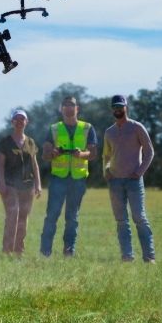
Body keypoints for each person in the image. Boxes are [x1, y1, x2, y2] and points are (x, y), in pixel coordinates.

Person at [40, 95, 98, 257]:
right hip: (58, 179)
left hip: (78, 180)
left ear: (77, 108)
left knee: (72, 217)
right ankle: (45, 253)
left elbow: (93, 154)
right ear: (61, 109)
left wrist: (81, 154)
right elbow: (44, 155)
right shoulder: (54, 129)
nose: (68, 107)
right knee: (52, 215)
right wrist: (53, 153)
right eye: (65, 105)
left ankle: (68, 252)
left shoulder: (87, 127)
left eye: (71, 104)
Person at [102, 94, 156, 263]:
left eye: (121, 107)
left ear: (126, 107)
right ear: (112, 110)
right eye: (115, 107)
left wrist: (139, 172)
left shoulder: (137, 127)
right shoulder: (109, 132)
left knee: (139, 217)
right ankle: (127, 257)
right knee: (121, 221)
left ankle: (149, 257)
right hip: (115, 182)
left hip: (134, 181)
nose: (118, 110)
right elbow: (106, 156)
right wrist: (106, 171)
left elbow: (149, 152)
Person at [0, 109, 42, 255]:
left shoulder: (30, 142)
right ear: (12, 122)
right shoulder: (5, 142)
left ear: (26, 122)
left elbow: (35, 165)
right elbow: (0, 165)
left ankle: (19, 251)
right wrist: (2, 184)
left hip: (27, 186)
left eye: (22, 119)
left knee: (23, 217)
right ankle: (7, 250)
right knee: (13, 214)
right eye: (17, 119)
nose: (20, 122)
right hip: (10, 185)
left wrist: (38, 184)